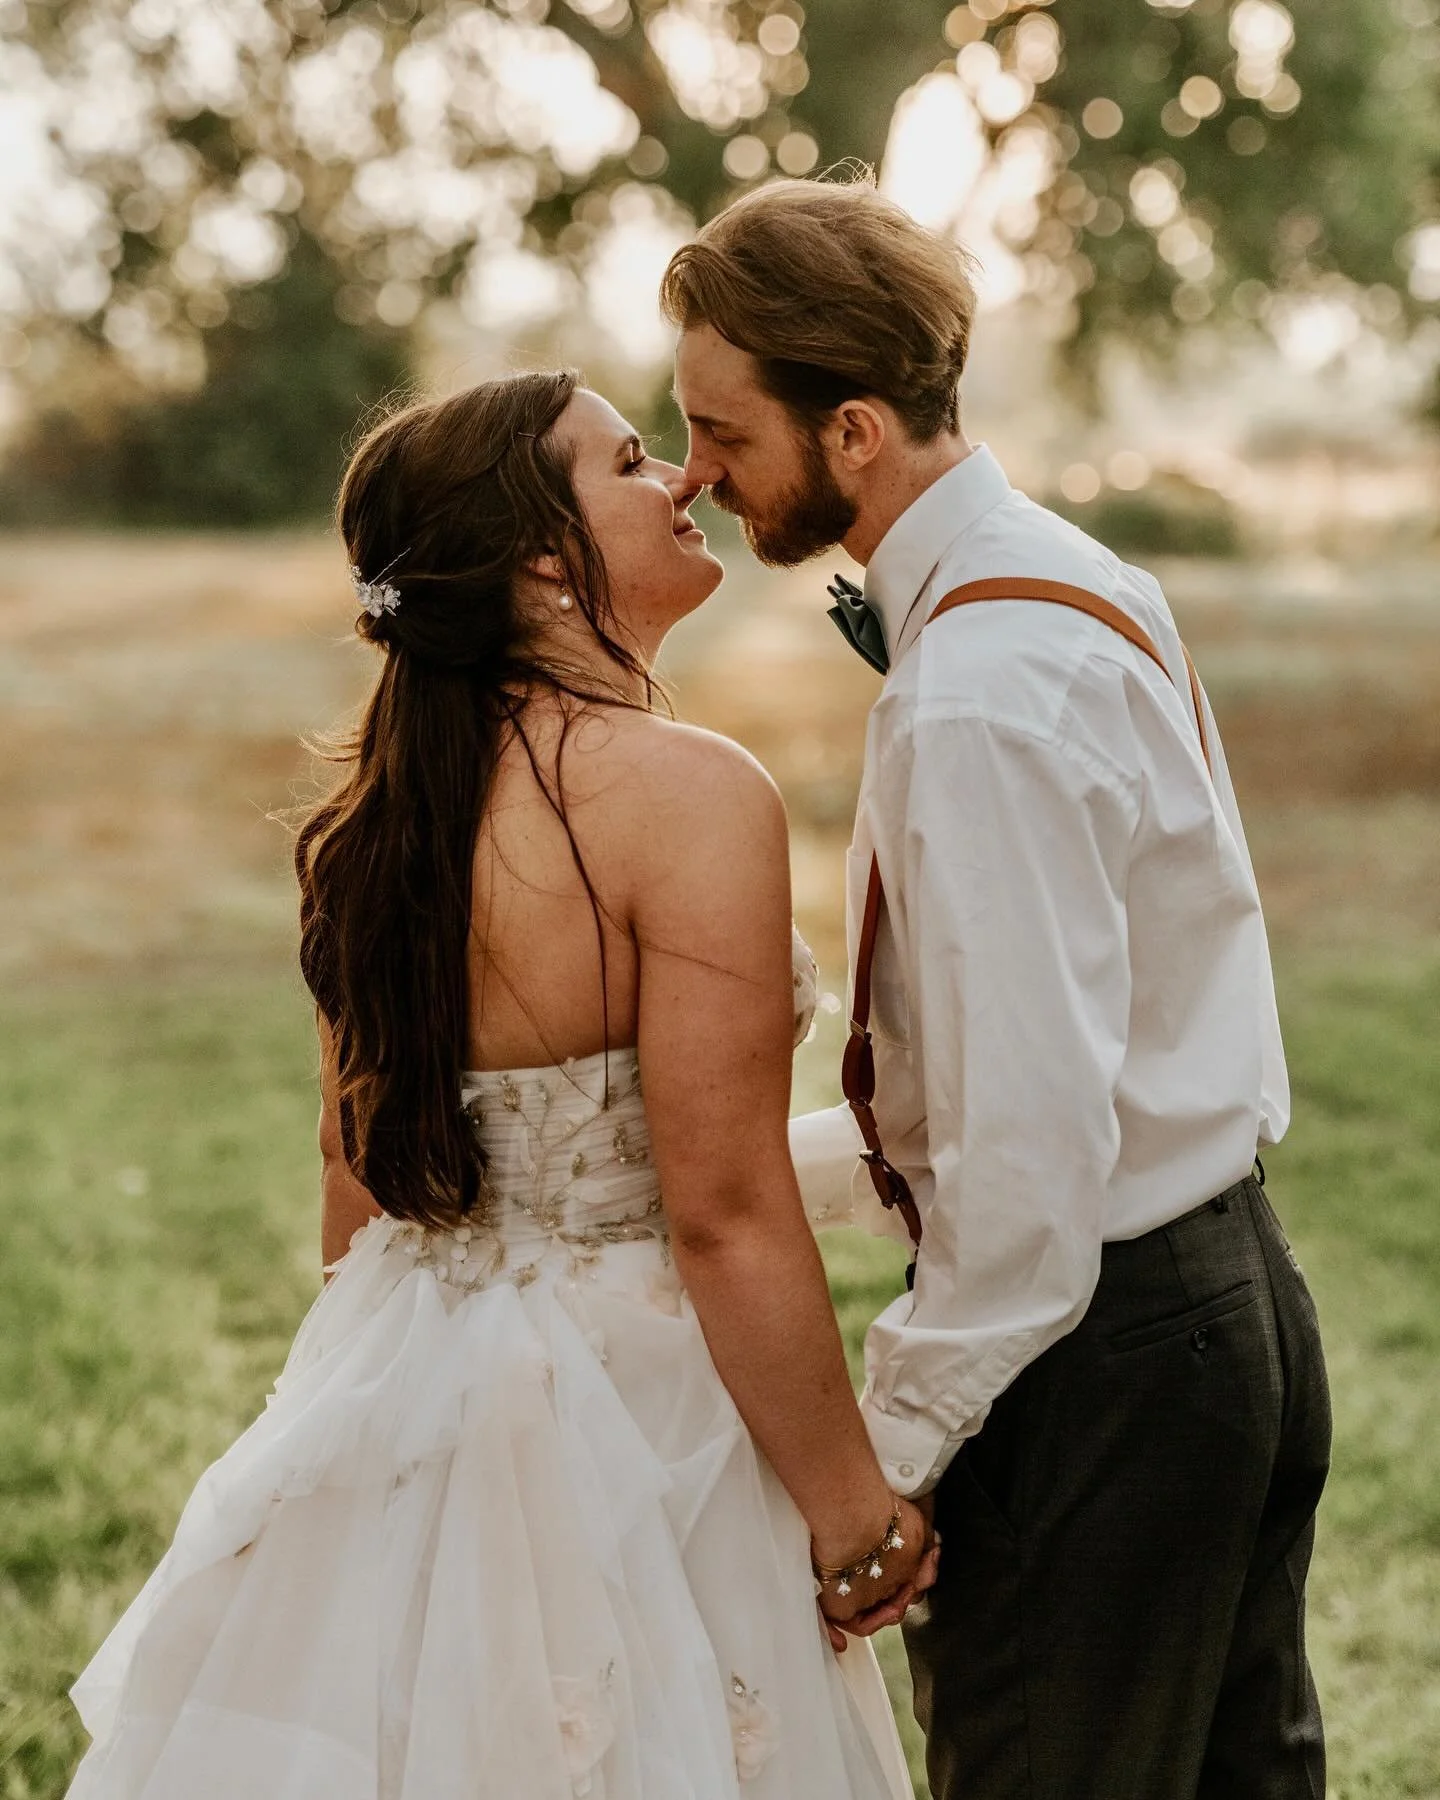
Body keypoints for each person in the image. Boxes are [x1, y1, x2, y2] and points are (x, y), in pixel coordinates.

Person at [64, 369, 937, 1800]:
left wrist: (384, 1465)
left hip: (404, 1368)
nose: (687, 482)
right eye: (634, 462)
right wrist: (858, 1521)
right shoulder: (690, 795)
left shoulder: (370, 829)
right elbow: (721, 1213)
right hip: (639, 1410)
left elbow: (359, 1211)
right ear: (542, 559)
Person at [664, 175, 1332, 1800]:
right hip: (1226, 1300)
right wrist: (702, 1170)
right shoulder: (1076, 579)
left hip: (1097, 1374)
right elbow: (1017, 1095)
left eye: (720, 430)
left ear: (857, 432)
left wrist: (879, 1470)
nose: (694, 471)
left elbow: (1025, 1170)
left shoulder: (973, 698)